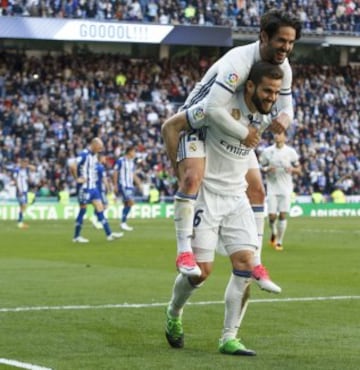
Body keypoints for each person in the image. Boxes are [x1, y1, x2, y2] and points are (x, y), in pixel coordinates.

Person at [161, 9, 302, 293]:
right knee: (191, 179)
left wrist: (283, 120)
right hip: (201, 122)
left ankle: (258, 261)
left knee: (258, 190)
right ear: (263, 37)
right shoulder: (238, 61)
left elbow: (287, 107)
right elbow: (212, 109)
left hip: (238, 126)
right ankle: (184, 250)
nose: (286, 48)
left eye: (291, 42)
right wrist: (245, 134)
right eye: (281, 41)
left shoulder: (283, 67)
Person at [164, 61, 284, 355]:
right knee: (200, 274)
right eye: (267, 91)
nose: (272, 97)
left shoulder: (268, 115)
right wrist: (179, 172)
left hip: (236, 198)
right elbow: (171, 126)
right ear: (251, 86)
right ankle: (174, 313)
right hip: (207, 197)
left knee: (243, 264)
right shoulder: (216, 108)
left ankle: (229, 337)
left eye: (276, 93)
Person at [69, 137, 123, 243]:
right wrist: (77, 179)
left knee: (100, 208)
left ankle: (109, 234)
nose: (101, 149)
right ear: (93, 145)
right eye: (99, 147)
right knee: (83, 210)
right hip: (84, 188)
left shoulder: (94, 155)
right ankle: (76, 236)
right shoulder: (84, 154)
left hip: (93, 188)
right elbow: (72, 166)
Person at [259, 131, 301, 251]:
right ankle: (274, 233)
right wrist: (267, 169)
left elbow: (299, 169)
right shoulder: (267, 152)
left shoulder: (291, 152)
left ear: (285, 137)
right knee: (272, 216)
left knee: (283, 215)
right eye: (276, 134)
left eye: (280, 134)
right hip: (272, 188)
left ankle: (279, 241)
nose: (277, 136)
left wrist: (292, 169)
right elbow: (260, 167)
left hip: (286, 188)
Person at [113, 146, 142, 231]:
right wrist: (115, 185)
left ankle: (123, 223)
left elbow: (132, 174)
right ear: (129, 152)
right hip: (123, 185)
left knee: (127, 204)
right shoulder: (121, 161)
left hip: (130, 186)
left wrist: (139, 183)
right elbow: (115, 172)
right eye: (134, 152)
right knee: (130, 202)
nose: (135, 154)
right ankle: (123, 223)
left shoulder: (132, 162)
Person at [13, 158, 36, 229]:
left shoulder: (26, 170)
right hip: (20, 191)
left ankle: (20, 221)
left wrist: (27, 165)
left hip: (25, 191)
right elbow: (15, 180)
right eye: (24, 162)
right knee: (23, 205)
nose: (26, 164)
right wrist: (18, 190)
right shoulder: (17, 170)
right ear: (21, 163)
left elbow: (34, 168)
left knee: (22, 206)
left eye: (27, 162)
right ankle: (20, 222)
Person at [91, 154, 111, 229]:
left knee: (99, 205)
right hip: (99, 189)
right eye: (104, 157)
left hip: (93, 188)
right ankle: (97, 219)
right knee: (105, 205)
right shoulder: (100, 167)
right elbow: (104, 179)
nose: (105, 159)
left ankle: (97, 219)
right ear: (101, 158)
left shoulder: (93, 166)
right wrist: (108, 188)